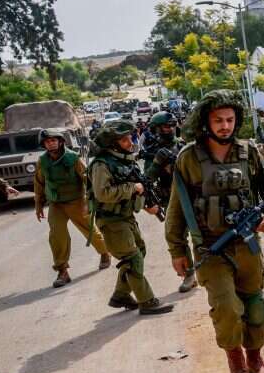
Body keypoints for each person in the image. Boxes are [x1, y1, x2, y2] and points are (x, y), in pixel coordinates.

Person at [166, 90, 264, 373]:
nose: (225, 126)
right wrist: (177, 250)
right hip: (210, 248)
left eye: (230, 120)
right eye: (218, 120)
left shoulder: (249, 152)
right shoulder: (188, 158)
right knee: (228, 308)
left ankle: (255, 359)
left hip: (247, 245)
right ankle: (236, 361)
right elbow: (177, 210)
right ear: (205, 121)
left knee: (255, 306)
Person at [88, 121, 173, 315]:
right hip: (111, 220)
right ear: (112, 144)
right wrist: (132, 188)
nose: (129, 142)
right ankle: (147, 301)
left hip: (125, 216)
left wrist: (146, 204)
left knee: (139, 252)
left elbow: (138, 186)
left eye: (129, 138)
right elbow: (103, 193)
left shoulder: (124, 160)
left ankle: (121, 295)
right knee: (132, 258)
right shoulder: (101, 164)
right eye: (124, 139)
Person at [33, 128, 111, 287]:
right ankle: (62, 271)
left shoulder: (73, 158)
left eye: (54, 140)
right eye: (48, 142)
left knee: (90, 230)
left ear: (60, 141)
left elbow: (86, 178)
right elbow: (39, 183)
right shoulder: (42, 161)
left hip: (76, 201)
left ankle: (104, 253)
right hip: (56, 204)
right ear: (44, 145)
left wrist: (91, 198)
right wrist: (38, 204)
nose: (51, 144)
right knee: (56, 235)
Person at [141, 111, 196, 292]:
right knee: (177, 237)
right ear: (157, 129)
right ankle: (190, 274)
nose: (170, 129)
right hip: (171, 200)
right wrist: (157, 163)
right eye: (166, 126)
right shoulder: (152, 153)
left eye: (172, 125)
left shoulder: (183, 146)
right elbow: (146, 180)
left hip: (193, 195)